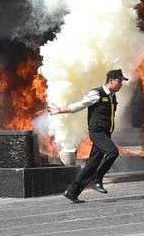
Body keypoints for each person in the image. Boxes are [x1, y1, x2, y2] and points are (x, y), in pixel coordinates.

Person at [48, 69, 128, 203]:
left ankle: (72, 192)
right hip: (97, 132)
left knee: (92, 164)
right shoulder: (96, 93)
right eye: (120, 81)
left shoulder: (112, 96)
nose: (121, 84)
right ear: (111, 81)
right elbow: (80, 105)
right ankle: (97, 180)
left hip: (105, 133)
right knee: (113, 152)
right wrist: (60, 110)